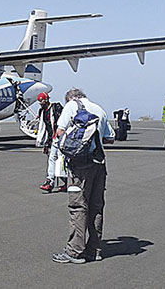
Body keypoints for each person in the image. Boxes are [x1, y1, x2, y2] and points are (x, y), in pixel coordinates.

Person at [51, 88, 114, 264]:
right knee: (96, 207)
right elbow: (110, 138)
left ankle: (74, 251)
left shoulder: (71, 106)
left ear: (70, 98)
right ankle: (94, 250)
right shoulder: (99, 109)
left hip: (79, 166)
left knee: (78, 206)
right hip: (99, 164)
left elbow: (60, 132)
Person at [36, 93, 65, 192]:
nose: (41, 103)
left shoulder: (56, 108)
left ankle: (66, 180)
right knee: (52, 159)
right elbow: (46, 129)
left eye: (42, 101)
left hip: (61, 138)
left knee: (61, 160)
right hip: (53, 139)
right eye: (39, 101)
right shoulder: (43, 112)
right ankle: (50, 181)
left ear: (47, 99)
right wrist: (46, 144)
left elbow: (62, 122)